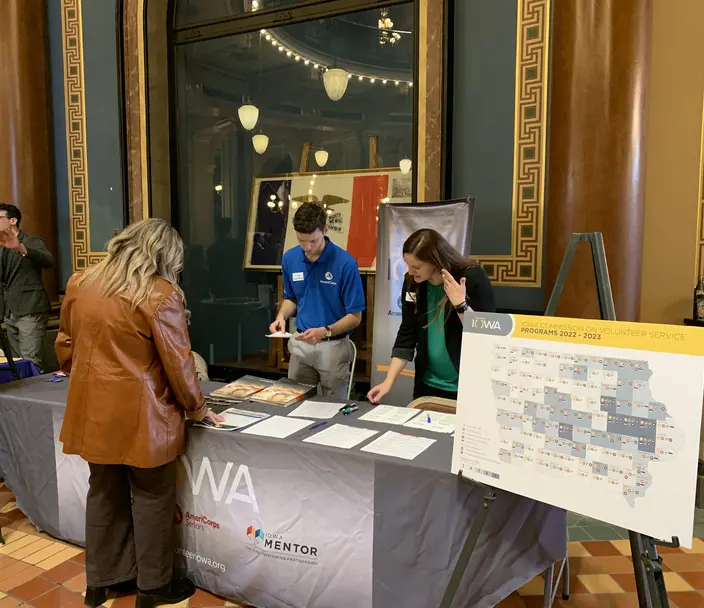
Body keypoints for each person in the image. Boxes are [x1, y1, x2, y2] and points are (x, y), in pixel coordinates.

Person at [56, 219, 223, 608]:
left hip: (92, 411)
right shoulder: (160, 293)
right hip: (144, 419)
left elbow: (64, 343)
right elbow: (179, 363)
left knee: (103, 493)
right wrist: (198, 409)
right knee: (152, 497)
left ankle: (100, 582)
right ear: (164, 255)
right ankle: (152, 586)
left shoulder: (81, 283)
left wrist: (80, 376)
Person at [368, 228, 495, 403]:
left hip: (465, 386)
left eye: (416, 267)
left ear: (434, 261)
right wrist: (388, 382)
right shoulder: (413, 283)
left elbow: (487, 334)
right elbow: (407, 333)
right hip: (427, 385)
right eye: (408, 266)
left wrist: (460, 305)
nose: (411, 272)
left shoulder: (471, 278)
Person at [269, 203, 364, 399]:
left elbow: (355, 317)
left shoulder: (345, 264)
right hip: (301, 343)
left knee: (334, 407)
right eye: (301, 240)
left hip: (333, 345)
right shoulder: (290, 258)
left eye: (313, 240)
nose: (307, 247)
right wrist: (281, 316)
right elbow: (292, 298)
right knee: (295, 403)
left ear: (325, 230)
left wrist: (325, 331)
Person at [0, 203, 53, 373]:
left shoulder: (31, 241)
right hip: (9, 311)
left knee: (31, 360)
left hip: (30, 308)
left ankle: (35, 398)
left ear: (13, 221)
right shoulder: (1, 247)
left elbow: (48, 260)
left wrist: (21, 248)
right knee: (17, 362)